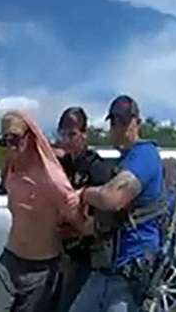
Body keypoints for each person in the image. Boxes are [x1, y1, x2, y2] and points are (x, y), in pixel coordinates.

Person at [0, 110, 90, 312]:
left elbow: (79, 221)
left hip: (42, 270)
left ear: (30, 137)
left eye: (14, 139)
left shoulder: (53, 180)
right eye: (3, 140)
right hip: (9, 261)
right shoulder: (10, 171)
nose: (10, 146)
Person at [69, 95, 168, 312]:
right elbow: (110, 219)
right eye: (114, 122)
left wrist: (84, 193)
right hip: (108, 268)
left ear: (137, 123)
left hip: (130, 269)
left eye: (124, 121)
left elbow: (112, 198)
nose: (119, 128)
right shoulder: (124, 162)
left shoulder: (145, 154)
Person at [54, 107, 115, 312]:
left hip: (88, 255)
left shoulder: (96, 167)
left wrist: (81, 225)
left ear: (84, 134)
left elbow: (107, 217)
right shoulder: (61, 166)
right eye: (63, 134)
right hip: (62, 250)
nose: (67, 139)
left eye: (72, 134)